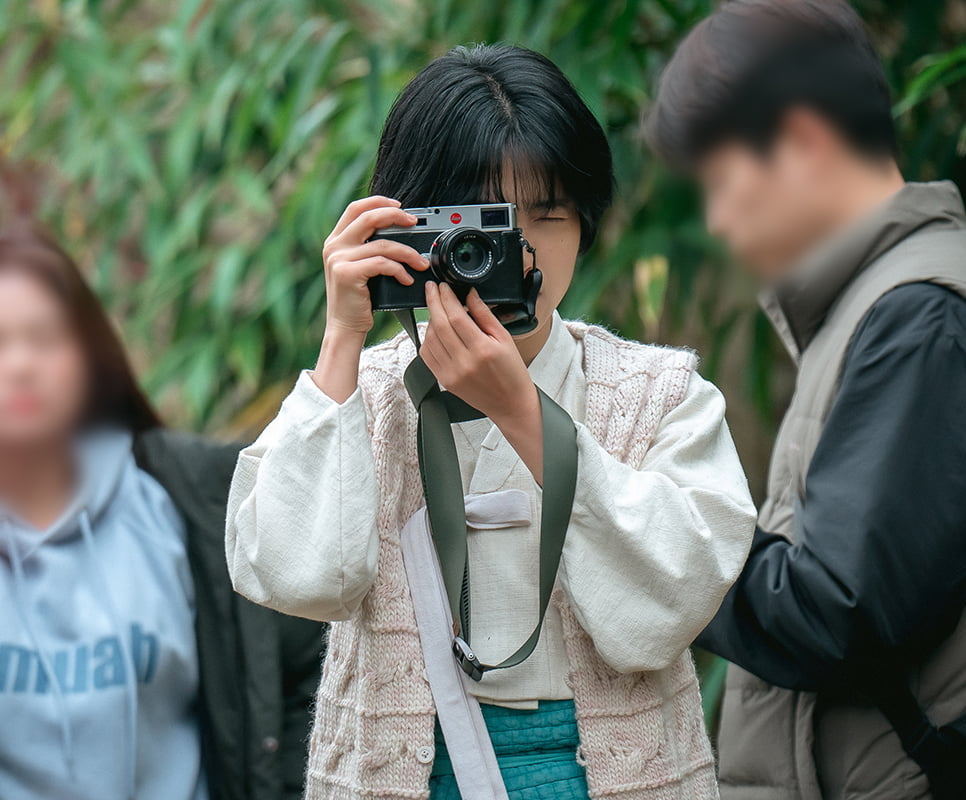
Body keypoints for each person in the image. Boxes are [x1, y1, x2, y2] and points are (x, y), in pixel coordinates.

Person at [224, 43, 756, 800]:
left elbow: (671, 606)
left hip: (611, 773)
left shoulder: (658, 394)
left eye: (547, 215)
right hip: (402, 772)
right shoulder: (364, 396)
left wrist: (521, 413)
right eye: (478, 226)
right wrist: (342, 336)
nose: (517, 251)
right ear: (408, 228)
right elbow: (289, 574)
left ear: (588, 219)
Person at [644, 1, 966, 799]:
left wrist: (649, 531)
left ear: (804, 139)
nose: (719, 219)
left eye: (722, 181)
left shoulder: (920, 319)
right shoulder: (885, 299)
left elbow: (838, 615)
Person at [0, 184, 325, 800]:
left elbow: (309, 666)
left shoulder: (194, 498)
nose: (18, 364)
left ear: (92, 354)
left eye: (42, 339)